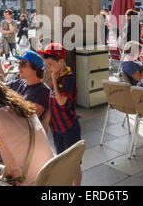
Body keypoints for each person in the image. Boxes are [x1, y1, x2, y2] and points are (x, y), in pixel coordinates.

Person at [38, 43, 82, 186]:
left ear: (61, 61)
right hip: (57, 127)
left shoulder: (68, 77)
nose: (48, 68)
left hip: (69, 127)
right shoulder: (55, 75)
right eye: (46, 64)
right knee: (62, 162)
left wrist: (54, 82)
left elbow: (61, 101)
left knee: (73, 163)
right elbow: (52, 103)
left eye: (50, 64)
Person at [0, 50, 50, 120]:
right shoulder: (19, 83)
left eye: (23, 64)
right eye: (19, 63)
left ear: (35, 68)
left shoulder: (43, 91)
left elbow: (30, 118)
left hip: (24, 129)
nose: (19, 67)